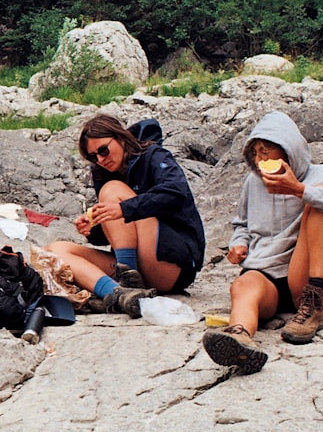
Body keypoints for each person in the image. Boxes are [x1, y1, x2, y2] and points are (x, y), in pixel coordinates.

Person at [202, 111, 323, 373]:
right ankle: (240, 338)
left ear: (289, 152)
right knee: (243, 285)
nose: (261, 159)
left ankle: (312, 308)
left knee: (322, 206)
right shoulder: (252, 183)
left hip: (311, 279)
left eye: (267, 151)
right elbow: (241, 224)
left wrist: (300, 191)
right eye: (256, 152)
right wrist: (239, 243)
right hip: (267, 275)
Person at [48, 114, 206, 318]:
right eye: (93, 156)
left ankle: (128, 280)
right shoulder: (103, 172)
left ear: (121, 138)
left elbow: (176, 193)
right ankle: (119, 294)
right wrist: (93, 229)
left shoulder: (153, 156)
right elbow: (120, 233)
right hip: (135, 266)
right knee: (55, 251)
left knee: (112, 190)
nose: (101, 160)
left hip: (171, 262)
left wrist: (123, 209)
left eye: (103, 150)